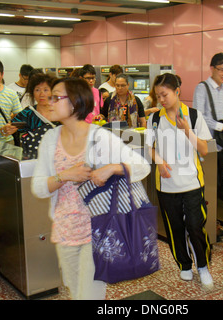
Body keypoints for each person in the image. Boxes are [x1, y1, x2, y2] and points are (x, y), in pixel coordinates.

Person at [31, 78, 150, 300]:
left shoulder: (100, 137)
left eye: (56, 97)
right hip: (65, 229)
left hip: (98, 230)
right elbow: (39, 187)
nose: (49, 101)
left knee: (89, 296)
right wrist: (65, 175)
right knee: (75, 292)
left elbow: (142, 166)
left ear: (75, 102)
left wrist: (112, 168)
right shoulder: (50, 139)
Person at [145, 73, 214, 288]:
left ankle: (202, 266)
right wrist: (158, 161)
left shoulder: (193, 116)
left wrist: (187, 131)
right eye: (157, 96)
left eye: (164, 95)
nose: (161, 100)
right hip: (166, 184)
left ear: (177, 92)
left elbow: (205, 149)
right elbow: (149, 147)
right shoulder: (154, 119)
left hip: (192, 183)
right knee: (174, 227)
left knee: (195, 225)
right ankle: (184, 265)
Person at [193, 52, 223, 241]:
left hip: (221, 146)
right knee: (204, 186)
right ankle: (201, 225)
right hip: (205, 146)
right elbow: (199, 116)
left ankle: (213, 222)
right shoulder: (202, 88)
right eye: (222, 70)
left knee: (217, 186)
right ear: (212, 68)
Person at [0, 73, 55, 156]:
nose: (41, 94)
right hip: (34, 159)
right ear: (32, 92)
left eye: (46, 90)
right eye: (37, 90)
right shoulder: (28, 113)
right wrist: (5, 129)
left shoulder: (60, 112)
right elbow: (6, 129)